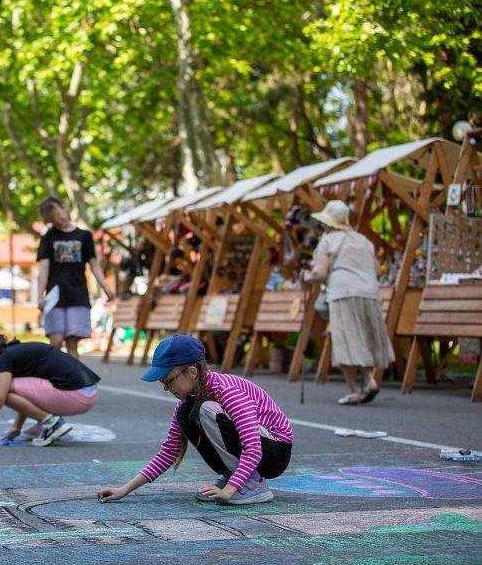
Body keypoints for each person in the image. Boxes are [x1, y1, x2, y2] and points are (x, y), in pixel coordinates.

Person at [97, 335, 293, 505]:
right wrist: (124, 490)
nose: (166, 388)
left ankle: (253, 482)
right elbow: (169, 452)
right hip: (257, 450)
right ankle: (235, 475)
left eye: (169, 380)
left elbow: (253, 447)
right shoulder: (187, 402)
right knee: (187, 412)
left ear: (192, 372)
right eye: (162, 382)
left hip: (274, 451)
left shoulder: (228, 391)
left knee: (206, 410)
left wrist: (230, 489)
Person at [302, 200, 393, 405]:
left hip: (343, 293)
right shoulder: (364, 241)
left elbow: (319, 273)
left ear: (327, 222)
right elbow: (377, 271)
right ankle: (370, 380)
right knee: (364, 340)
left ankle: (353, 390)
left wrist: (306, 276)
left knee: (346, 340)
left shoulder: (327, 240)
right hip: (370, 293)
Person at [0, 335, 100, 449]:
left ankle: (52, 423)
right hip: (87, 392)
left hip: (77, 395)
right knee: (7, 388)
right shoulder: (14, 352)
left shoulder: (4, 359)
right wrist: (17, 427)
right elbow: (26, 393)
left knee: (3, 391)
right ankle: (46, 423)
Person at [37, 197, 114, 358]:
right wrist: (39, 295)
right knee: (56, 342)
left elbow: (94, 264)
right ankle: (55, 381)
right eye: (53, 220)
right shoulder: (48, 238)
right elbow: (43, 268)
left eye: (59, 215)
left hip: (77, 294)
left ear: (64, 209)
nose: (59, 221)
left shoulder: (84, 236)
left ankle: (74, 382)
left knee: (72, 342)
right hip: (55, 296)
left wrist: (105, 286)